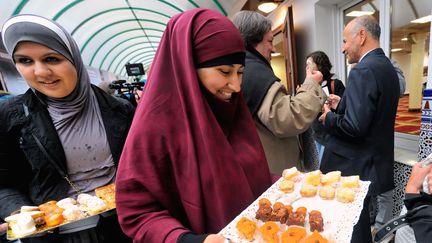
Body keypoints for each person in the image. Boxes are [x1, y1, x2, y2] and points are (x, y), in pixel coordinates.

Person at [115, 8, 272, 243]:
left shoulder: (232, 111)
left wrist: (285, 180)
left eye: (240, 72)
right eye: (224, 72)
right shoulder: (154, 127)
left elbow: (247, 174)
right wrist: (188, 240)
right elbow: (138, 212)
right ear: (189, 66)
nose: (236, 86)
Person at [0, 15, 134, 243]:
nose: (40, 72)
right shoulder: (11, 116)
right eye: (25, 61)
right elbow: (4, 182)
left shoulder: (119, 109)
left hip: (124, 226)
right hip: (56, 236)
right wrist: (18, 213)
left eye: (51, 59)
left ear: (73, 57)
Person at [318, 15, 400, 243]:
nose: (343, 49)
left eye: (345, 41)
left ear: (361, 36)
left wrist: (329, 117)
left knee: (350, 225)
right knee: (359, 221)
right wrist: (343, 103)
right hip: (373, 162)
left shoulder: (363, 70)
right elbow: (371, 115)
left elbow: (354, 127)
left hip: (354, 165)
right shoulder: (386, 67)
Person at [232, 11, 324, 175]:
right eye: (270, 41)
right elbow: (287, 119)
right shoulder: (255, 73)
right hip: (272, 175)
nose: (274, 48)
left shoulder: (240, 68)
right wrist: (311, 84)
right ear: (253, 41)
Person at [306, 51, 345, 163]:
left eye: (309, 64)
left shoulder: (335, 84)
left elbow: (345, 109)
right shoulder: (309, 85)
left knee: (326, 169)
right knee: (322, 166)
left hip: (332, 135)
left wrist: (334, 104)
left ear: (319, 65)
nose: (306, 68)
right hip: (318, 134)